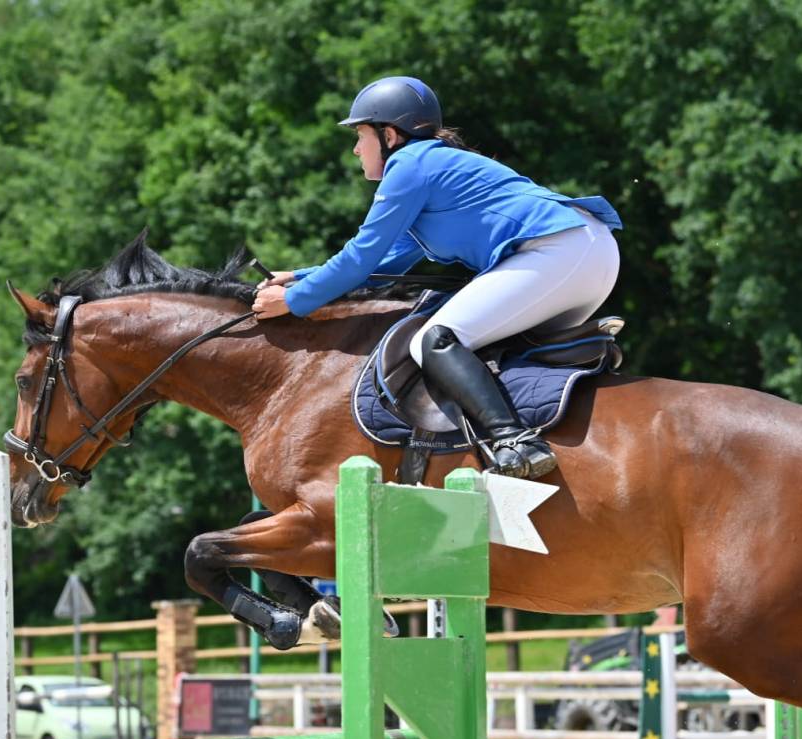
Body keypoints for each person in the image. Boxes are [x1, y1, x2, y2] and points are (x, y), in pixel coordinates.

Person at [252, 76, 622, 479]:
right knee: (493, 348)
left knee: (436, 338)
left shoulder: (408, 166)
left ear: (389, 135)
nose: (356, 149)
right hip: (588, 251)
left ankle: (515, 441)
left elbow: (361, 256)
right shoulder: (431, 166)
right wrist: (298, 277)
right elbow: (385, 264)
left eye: (360, 136)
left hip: (559, 250)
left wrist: (294, 300)